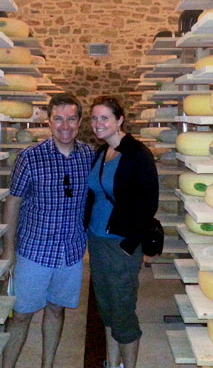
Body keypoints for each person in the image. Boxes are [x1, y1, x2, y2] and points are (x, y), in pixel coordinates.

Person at [2, 93, 94, 368]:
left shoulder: (89, 156)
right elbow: (13, 203)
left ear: (79, 122)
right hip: (33, 251)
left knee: (56, 310)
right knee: (21, 315)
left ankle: (48, 365)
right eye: (58, 119)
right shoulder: (30, 158)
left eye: (71, 119)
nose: (65, 126)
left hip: (71, 252)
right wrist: (9, 250)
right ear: (49, 121)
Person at [85, 96, 159, 368]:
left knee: (123, 309)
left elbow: (149, 204)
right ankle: (111, 362)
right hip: (97, 241)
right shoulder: (101, 152)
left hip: (121, 244)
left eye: (104, 118)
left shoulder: (137, 155)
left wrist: (131, 245)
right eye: (94, 118)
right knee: (106, 308)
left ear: (119, 120)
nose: (98, 124)